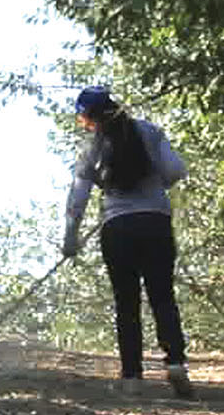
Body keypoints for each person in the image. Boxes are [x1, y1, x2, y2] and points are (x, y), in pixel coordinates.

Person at [62, 85, 193, 398]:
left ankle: (132, 376)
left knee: (127, 302)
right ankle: (175, 362)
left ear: (89, 119)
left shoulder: (91, 148)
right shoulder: (149, 132)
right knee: (162, 295)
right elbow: (175, 170)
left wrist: (71, 236)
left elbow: (78, 197)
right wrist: (153, 184)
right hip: (155, 222)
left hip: (117, 228)